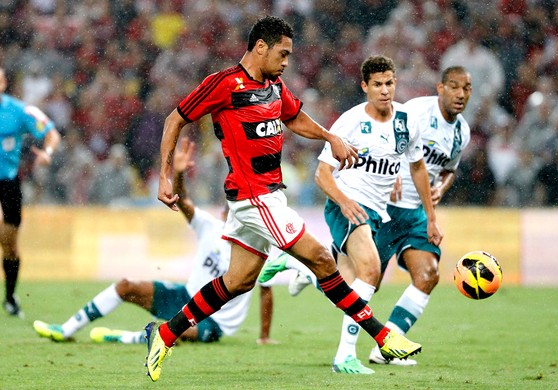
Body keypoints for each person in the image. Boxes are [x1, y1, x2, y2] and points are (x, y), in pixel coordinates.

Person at [145, 16, 421, 382]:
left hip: (263, 197)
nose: (287, 61)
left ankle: (164, 334)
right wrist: (166, 176)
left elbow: (295, 118)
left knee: (238, 281)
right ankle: (384, 337)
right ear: (261, 47)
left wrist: (329, 137)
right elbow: (173, 120)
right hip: (254, 196)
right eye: (283, 53)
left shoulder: (275, 84)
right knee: (322, 259)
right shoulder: (224, 84)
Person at [32, 138, 278, 345]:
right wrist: (179, 174)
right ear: (225, 213)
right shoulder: (210, 227)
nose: (230, 215)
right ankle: (66, 329)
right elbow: (183, 202)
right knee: (127, 285)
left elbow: (266, 290)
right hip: (186, 297)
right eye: (229, 210)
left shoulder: (256, 246)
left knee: (173, 330)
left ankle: (123, 338)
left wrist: (264, 337)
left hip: (214, 321)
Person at [314, 55, 441, 374]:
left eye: (389, 83)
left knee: (352, 286)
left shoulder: (407, 121)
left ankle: (301, 265)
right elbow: (322, 175)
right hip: (348, 205)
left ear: (395, 83)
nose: (385, 90)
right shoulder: (350, 122)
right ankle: (345, 356)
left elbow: (417, 168)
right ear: (364, 87)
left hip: (376, 212)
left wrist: (432, 217)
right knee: (371, 271)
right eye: (377, 85)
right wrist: (343, 201)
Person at [368, 66, 472, 366]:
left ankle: (387, 346)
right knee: (365, 284)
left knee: (428, 275)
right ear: (440, 87)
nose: (460, 94)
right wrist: (393, 170)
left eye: (466, 89)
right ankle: (309, 270)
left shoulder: (462, 131)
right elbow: (385, 135)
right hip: (386, 207)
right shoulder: (416, 111)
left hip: (417, 214)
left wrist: (441, 188)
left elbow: (450, 169)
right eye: (454, 87)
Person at [1, 67, 61, 317]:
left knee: (9, 245)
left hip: (8, 183)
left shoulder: (19, 111)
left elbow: (52, 134)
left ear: (3, 83)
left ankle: (10, 297)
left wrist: (47, 153)